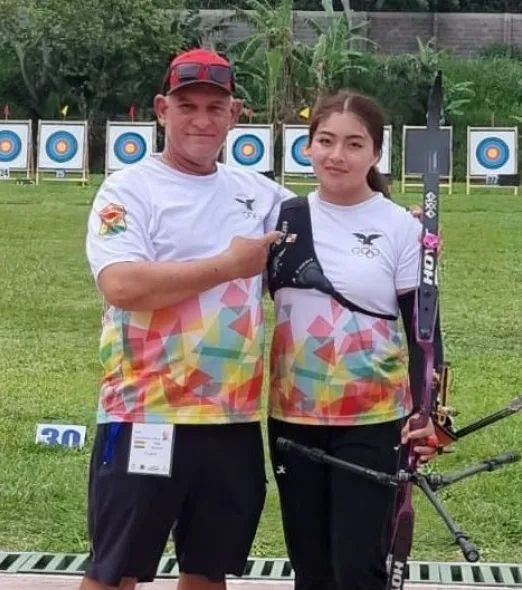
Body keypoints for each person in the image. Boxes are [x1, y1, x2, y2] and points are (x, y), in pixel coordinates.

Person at [82, 47, 294, 590]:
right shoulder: (130, 188)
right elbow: (122, 285)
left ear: (234, 114)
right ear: (161, 109)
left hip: (230, 419)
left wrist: (395, 221)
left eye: (214, 108)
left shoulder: (258, 193)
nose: (201, 120)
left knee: (208, 567)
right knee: (116, 570)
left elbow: (329, 227)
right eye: (187, 106)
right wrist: (227, 266)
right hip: (145, 414)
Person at [264, 90, 441, 590]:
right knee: (311, 567)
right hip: (291, 416)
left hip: (373, 420)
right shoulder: (283, 219)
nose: (336, 155)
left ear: (376, 154)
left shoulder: (400, 227)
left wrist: (427, 414)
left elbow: (424, 331)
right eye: (325, 141)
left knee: (358, 567)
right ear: (308, 146)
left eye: (353, 144)